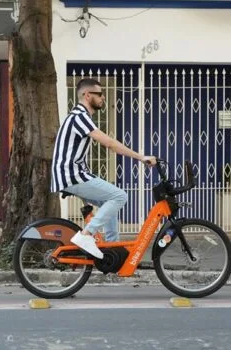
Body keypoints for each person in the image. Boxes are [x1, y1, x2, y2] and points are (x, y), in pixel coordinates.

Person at [51, 78, 156, 259]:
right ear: (87, 95)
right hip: (71, 174)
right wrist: (141, 157)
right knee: (120, 196)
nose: (103, 98)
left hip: (74, 173)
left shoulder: (81, 117)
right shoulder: (79, 117)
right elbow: (109, 143)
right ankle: (86, 235)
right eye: (99, 94)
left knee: (111, 205)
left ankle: (111, 252)